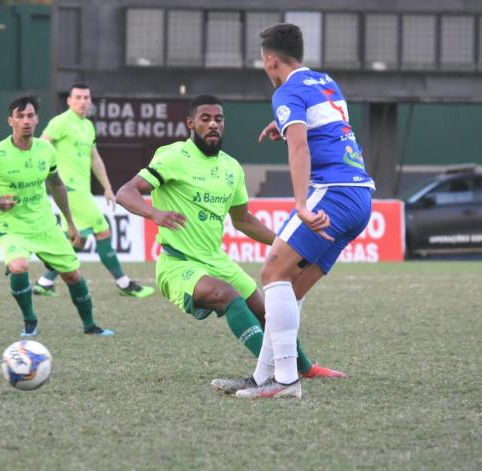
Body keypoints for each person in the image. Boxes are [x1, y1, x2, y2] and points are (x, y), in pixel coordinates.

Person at [116, 94, 344, 390]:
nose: (213, 125)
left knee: (269, 312)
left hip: (216, 259)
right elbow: (125, 193)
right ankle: (274, 376)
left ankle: (305, 367)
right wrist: (154, 213)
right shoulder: (172, 156)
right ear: (190, 123)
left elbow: (244, 220)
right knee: (227, 295)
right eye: (205, 119)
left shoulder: (231, 168)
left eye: (218, 119)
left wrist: (285, 242)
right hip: (177, 263)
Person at [234, 24, 375, 399]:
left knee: (271, 272)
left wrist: (300, 204)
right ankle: (263, 376)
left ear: (271, 60)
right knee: (290, 286)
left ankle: (285, 381)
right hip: (360, 197)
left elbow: (301, 149)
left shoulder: (287, 91)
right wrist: (285, 121)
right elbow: (326, 124)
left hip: (332, 192)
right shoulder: (324, 82)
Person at [0, 94, 114, 338]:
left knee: (73, 274)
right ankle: (30, 320)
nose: (26, 121)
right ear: (10, 121)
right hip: (12, 227)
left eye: (30, 115)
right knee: (19, 266)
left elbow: (56, 185)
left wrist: (71, 224)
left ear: (37, 119)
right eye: (20, 116)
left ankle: (90, 325)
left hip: (45, 226)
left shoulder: (46, 150)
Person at [32, 83, 154, 299]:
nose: (82, 101)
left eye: (86, 97)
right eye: (77, 97)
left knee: (78, 240)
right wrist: (41, 177)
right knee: (102, 230)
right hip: (68, 189)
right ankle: (124, 284)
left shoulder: (88, 125)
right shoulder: (60, 122)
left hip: (82, 190)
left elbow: (95, 159)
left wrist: (107, 187)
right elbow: (41, 145)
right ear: (69, 100)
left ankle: (44, 282)